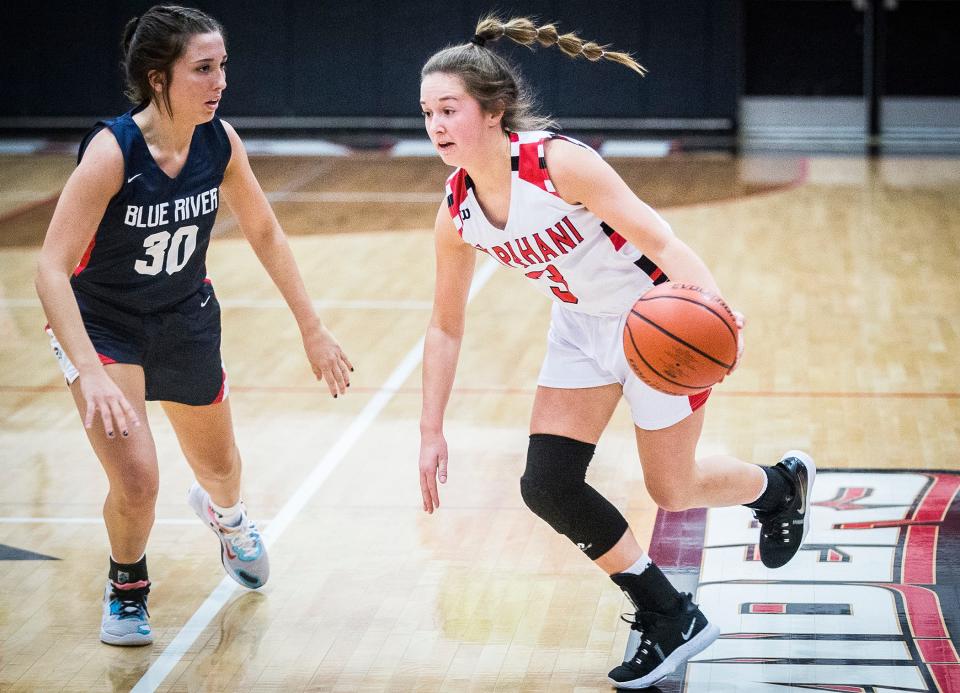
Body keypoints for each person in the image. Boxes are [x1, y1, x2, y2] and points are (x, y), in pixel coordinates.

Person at [416, 15, 815, 689]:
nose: (436, 125)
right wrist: (430, 429)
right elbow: (444, 326)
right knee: (546, 483)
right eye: (427, 112)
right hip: (579, 328)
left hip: (656, 319)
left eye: (449, 109)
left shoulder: (557, 163)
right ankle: (666, 611)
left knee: (673, 486)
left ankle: (776, 488)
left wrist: (713, 307)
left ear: (493, 111)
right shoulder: (456, 210)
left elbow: (660, 240)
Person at [35, 5, 353, 646]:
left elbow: (263, 229)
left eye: (223, 66)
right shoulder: (112, 152)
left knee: (221, 466)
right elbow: (49, 268)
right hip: (106, 325)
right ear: (159, 78)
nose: (220, 81)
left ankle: (227, 517)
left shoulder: (218, 140)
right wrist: (90, 371)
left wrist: (312, 329)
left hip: (185, 318)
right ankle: (127, 587)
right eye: (203, 69)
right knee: (137, 477)